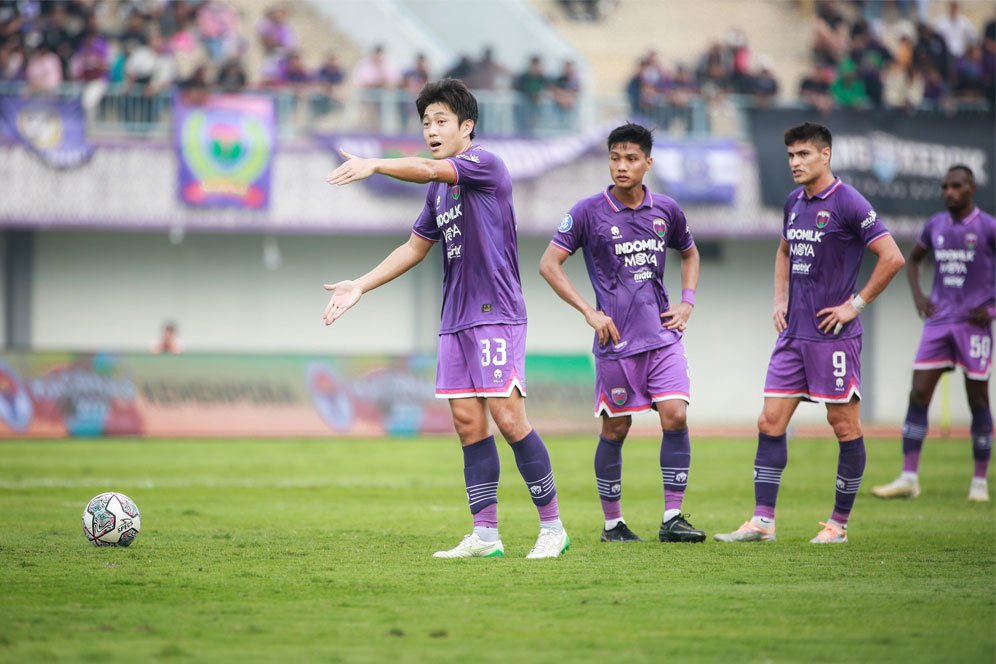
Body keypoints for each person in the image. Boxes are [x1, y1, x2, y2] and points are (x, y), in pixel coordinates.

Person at [323, 79, 570, 559]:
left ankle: (553, 528)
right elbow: (414, 248)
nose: (431, 130)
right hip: (455, 319)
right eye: (426, 123)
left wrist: (374, 163)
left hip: (495, 313)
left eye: (441, 121)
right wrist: (360, 284)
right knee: (467, 423)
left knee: (508, 417)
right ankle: (486, 535)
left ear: (466, 126)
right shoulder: (438, 194)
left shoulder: (484, 165)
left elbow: (423, 168)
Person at [714, 122, 905, 545]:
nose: (795, 163)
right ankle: (763, 522)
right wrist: (779, 298)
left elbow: (892, 257)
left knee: (843, 425)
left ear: (826, 155)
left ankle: (838, 525)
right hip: (793, 336)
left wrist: (854, 306)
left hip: (833, 338)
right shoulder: (793, 203)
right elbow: (784, 251)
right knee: (769, 421)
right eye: (790, 156)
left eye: (803, 155)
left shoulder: (850, 202)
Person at [539, 122, 706, 544]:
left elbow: (689, 252)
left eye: (631, 158)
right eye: (615, 158)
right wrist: (588, 312)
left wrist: (686, 301)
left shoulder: (666, 210)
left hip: (662, 338)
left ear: (648, 162)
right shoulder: (587, 212)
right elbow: (548, 265)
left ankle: (673, 518)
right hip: (615, 345)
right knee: (616, 430)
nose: (621, 166)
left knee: (676, 415)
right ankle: (613, 525)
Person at [873, 166, 994, 503]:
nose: (949, 192)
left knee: (978, 400)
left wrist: (993, 309)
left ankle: (979, 483)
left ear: (971, 188)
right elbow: (913, 260)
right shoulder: (935, 224)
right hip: (939, 322)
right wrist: (919, 297)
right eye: (945, 187)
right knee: (918, 394)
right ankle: (909, 477)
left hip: (974, 325)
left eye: (956, 186)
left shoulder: (988, 227)